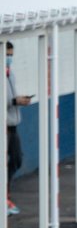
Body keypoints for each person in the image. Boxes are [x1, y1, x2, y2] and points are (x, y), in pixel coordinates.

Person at [6, 42, 29, 216]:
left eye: (11, 55)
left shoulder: (10, 74)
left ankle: (5, 196)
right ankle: (4, 198)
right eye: (7, 54)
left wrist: (18, 100)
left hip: (14, 124)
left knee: (16, 160)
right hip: (3, 126)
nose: (9, 58)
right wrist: (14, 101)